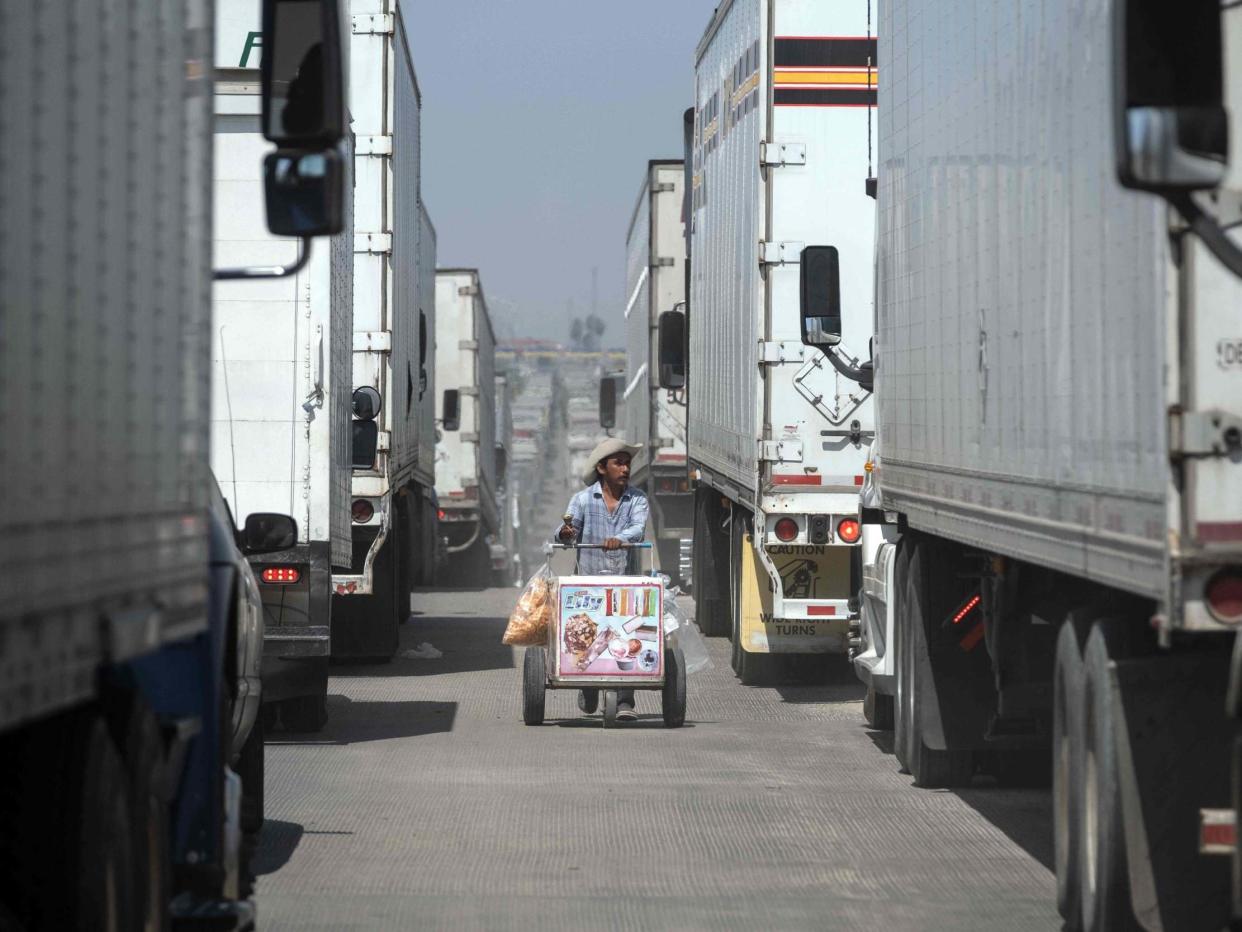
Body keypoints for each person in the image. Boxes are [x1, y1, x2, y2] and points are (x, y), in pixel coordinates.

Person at [556, 438, 648, 722]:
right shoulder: (583, 499)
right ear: (601, 468)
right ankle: (589, 684)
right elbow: (566, 532)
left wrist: (618, 540)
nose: (625, 468)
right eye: (618, 463)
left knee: (626, 637)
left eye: (627, 462)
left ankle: (624, 701)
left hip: (626, 584)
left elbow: (637, 529)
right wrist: (567, 534)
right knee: (588, 636)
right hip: (589, 585)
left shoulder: (638, 499)